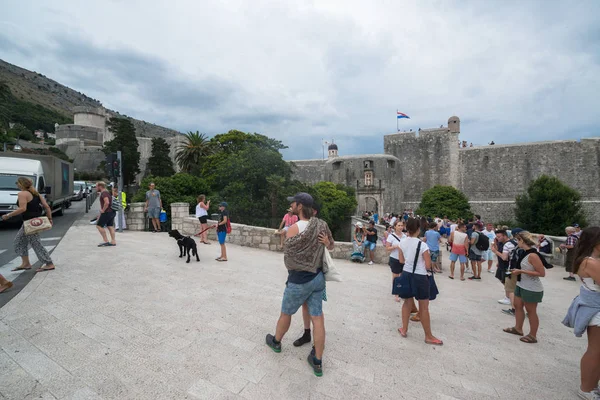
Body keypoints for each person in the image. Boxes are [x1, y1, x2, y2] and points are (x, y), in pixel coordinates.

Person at [266, 192, 334, 377]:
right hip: (318, 278)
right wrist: (326, 243)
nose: (292, 206)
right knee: (318, 318)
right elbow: (331, 246)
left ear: (300, 207)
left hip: (299, 281)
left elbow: (289, 255)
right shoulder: (322, 225)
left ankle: (276, 341)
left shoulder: (293, 228)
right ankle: (317, 361)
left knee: (286, 313)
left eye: (294, 203)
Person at [562, 227, 600, 399]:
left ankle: (592, 385)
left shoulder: (588, 260)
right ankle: (586, 389)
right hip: (596, 309)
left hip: (594, 306)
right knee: (595, 350)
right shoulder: (590, 262)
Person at [397, 218, 443, 346]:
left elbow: (401, 260)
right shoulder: (422, 245)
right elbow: (428, 265)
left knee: (406, 303)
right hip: (420, 277)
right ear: (418, 229)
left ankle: (404, 329)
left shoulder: (402, 242)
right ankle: (428, 336)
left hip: (406, 274)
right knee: (423, 307)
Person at [1, 177, 56, 272]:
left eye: (17, 183)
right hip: (31, 222)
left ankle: (49, 263)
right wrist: (49, 218)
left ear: (21, 184)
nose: (16, 185)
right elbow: (47, 207)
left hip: (29, 223)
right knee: (19, 242)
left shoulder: (22, 194)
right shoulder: (36, 193)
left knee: (36, 243)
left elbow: (23, 209)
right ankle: (26, 263)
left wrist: (8, 215)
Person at [503, 231, 545, 343]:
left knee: (531, 311)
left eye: (518, 240)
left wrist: (521, 271)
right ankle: (518, 328)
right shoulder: (525, 252)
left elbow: (541, 273)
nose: (517, 242)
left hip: (531, 287)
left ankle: (533, 335)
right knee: (517, 305)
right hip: (522, 284)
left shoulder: (533, 255)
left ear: (522, 240)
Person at [491, 229, 519, 314]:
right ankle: (508, 298)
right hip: (503, 265)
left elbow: (504, 257)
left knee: (510, 287)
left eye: (499, 236)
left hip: (508, 267)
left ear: (505, 235)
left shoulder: (508, 244)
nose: (498, 238)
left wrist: (495, 251)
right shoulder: (505, 243)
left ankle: (512, 304)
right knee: (503, 281)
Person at [386, 220, 406, 302]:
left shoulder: (405, 236)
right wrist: (395, 247)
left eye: (402, 225)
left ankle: (401, 291)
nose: (401, 227)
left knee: (402, 276)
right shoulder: (391, 236)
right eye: (399, 225)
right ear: (395, 227)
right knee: (395, 276)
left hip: (403, 258)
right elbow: (387, 248)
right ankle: (396, 293)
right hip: (394, 258)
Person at [95, 182, 116, 247]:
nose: (95, 188)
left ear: (100, 186)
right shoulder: (107, 192)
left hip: (107, 212)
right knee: (110, 226)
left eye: (96, 186)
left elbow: (107, 202)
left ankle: (106, 241)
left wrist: (103, 210)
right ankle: (113, 241)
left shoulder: (104, 193)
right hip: (112, 211)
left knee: (99, 226)